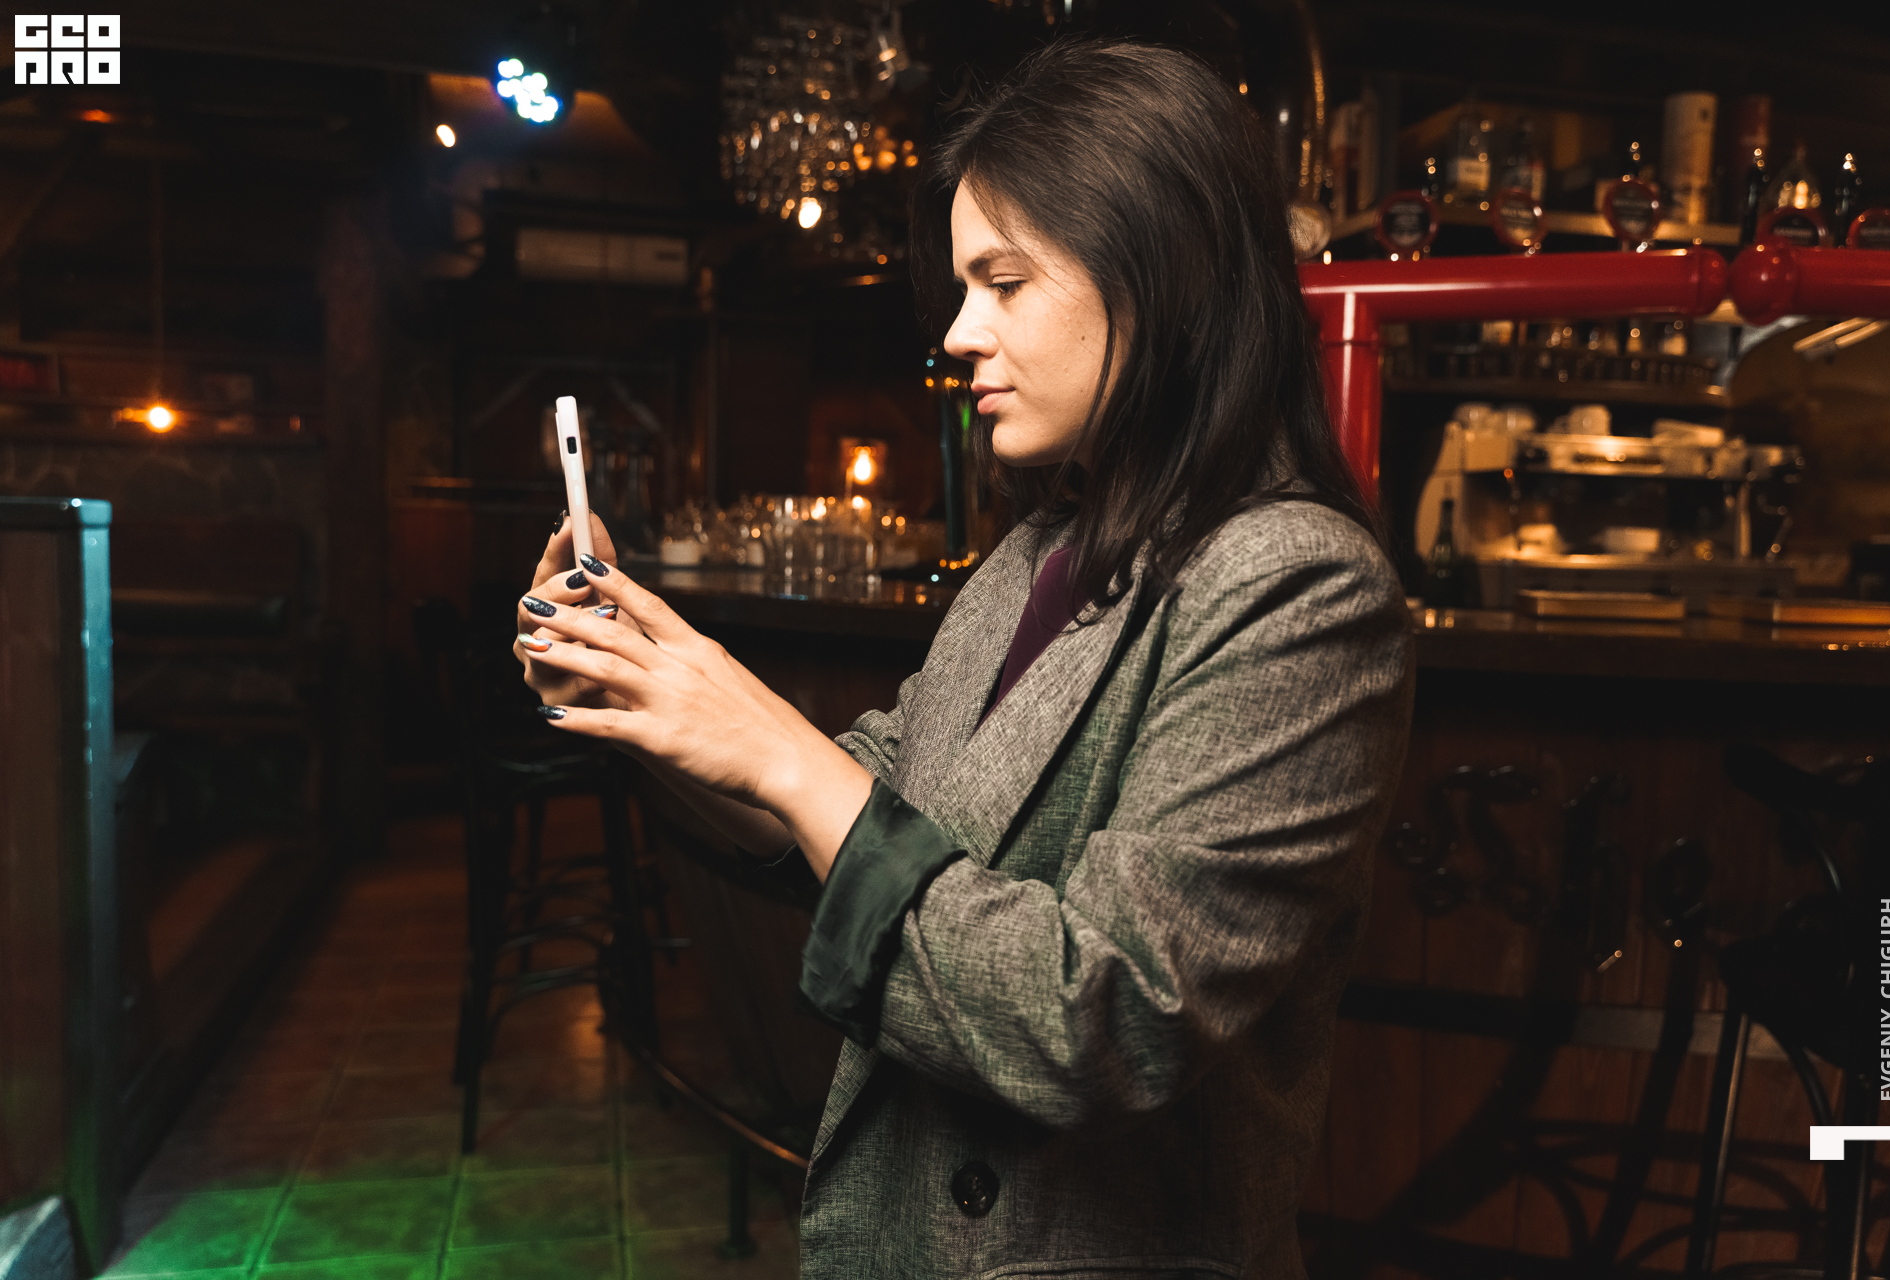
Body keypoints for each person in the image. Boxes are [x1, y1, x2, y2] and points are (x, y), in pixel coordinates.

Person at [513, 38, 1412, 1279]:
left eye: (1003, 281)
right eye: (961, 285)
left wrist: (777, 750)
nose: (957, 332)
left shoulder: (1301, 584)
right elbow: (860, 806)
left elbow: (1106, 1015)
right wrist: (648, 691)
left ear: (1162, 274)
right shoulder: (1040, 552)